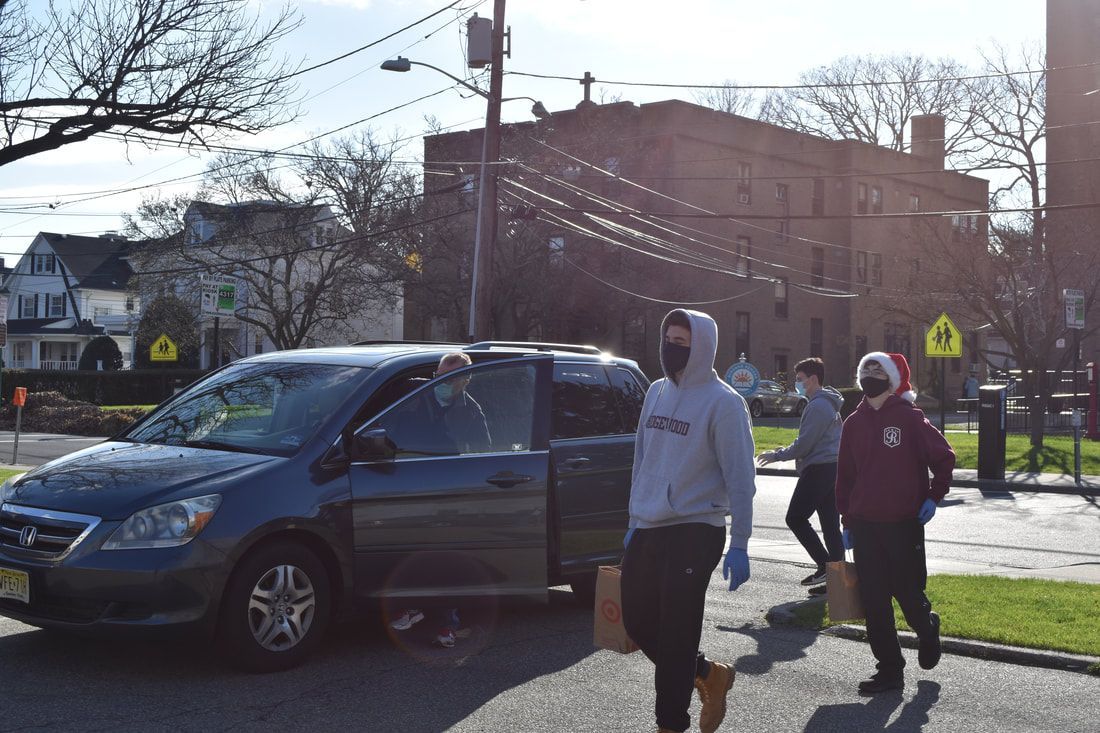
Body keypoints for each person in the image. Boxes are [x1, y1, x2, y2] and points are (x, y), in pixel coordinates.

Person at [621, 309, 757, 733]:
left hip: (697, 529)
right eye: (668, 339)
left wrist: (740, 541)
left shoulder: (724, 404)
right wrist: (633, 517)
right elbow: (642, 458)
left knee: (677, 632)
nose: (671, 348)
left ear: (702, 348)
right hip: (649, 523)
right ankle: (709, 674)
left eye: (682, 342)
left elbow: (741, 478)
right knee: (637, 621)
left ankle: (670, 725)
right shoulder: (656, 391)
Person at [836, 351, 955, 695]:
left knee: (907, 593)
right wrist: (847, 518)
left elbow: (944, 458)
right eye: (866, 369)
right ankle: (890, 670)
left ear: (891, 379)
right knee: (874, 602)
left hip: (903, 524)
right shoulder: (853, 423)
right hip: (865, 526)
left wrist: (933, 496)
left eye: (878, 369)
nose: (871, 374)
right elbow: (845, 477)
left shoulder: (909, 418)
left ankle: (927, 627)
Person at [389, 352, 490, 648]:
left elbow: (484, 452)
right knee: (413, 553)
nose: (441, 383)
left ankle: (446, 624)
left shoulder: (471, 411)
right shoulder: (414, 396)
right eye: (438, 376)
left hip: (449, 491)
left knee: (447, 558)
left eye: (450, 378)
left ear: (465, 381)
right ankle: (414, 608)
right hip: (411, 485)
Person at [756, 357, 844, 587]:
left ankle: (825, 566)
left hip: (818, 468)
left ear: (813, 379)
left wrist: (776, 455)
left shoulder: (818, 406)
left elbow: (804, 445)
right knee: (830, 525)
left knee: (795, 518)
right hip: (831, 467)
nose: (797, 384)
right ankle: (837, 584)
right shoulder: (827, 404)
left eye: (800, 380)